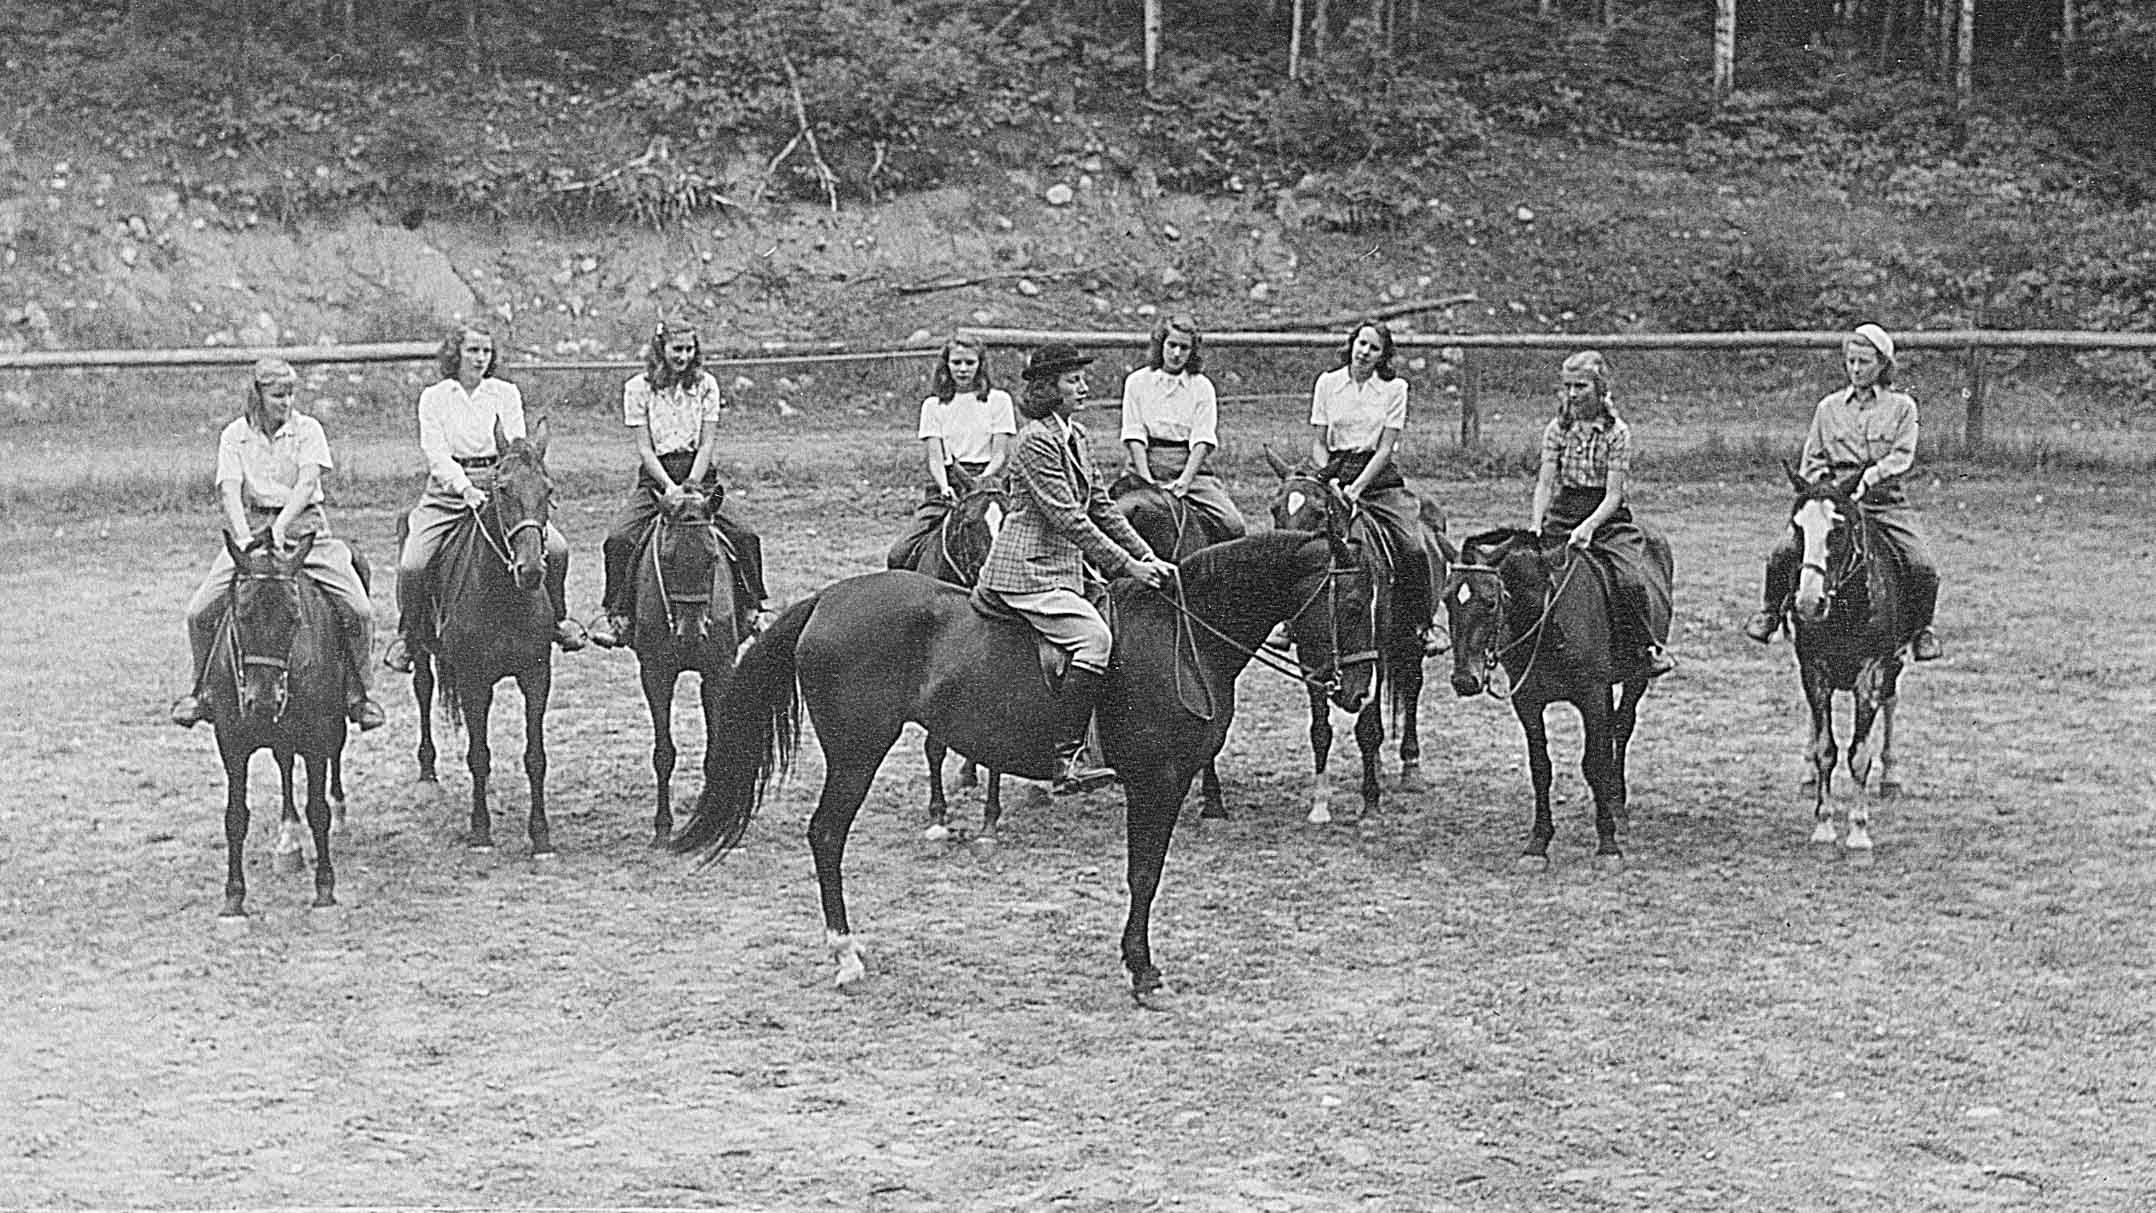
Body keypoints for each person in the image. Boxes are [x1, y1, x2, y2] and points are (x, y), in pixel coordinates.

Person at [976, 344, 1177, 790]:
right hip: (1027, 569)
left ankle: (1108, 740)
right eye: (1073, 381)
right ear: (1049, 389)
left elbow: (1103, 508)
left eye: (1082, 379)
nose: (1084, 387)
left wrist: (1148, 557)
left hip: (1065, 568)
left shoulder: (1076, 434)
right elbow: (1068, 517)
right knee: (1094, 639)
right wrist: (1128, 567)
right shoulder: (1034, 442)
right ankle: (1064, 758)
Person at [171, 358, 384, 730]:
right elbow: (230, 490)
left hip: (304, 528)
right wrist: (242, 538)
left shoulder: (308, 430)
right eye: (277, 395)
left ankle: (360, 693)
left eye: (290, 395)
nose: (285, 403)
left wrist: (283, 526)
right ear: (258, 395)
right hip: (253, 530)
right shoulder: (234, 435)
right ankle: (201, 690)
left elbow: (306, 484)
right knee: (199, 610)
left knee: (358, 609)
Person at [382, 324, 584, 673]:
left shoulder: (504, 393)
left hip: (502, 486)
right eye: (473, 350)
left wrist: (512, 480)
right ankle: (409, 637)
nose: (480, 358)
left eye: (486, 351)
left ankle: (557, 621)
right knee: (413, 562)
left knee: (559, 548)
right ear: (456, 353)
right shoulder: (435, 397)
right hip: (448, 491)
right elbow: (436, 454)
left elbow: (518, 445)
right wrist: (465, 488)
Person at [1743, 323, 1942, 660]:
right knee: (1782, 552)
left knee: (1922, 564)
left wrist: (1867, 480)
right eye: (1850, 361)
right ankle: (1770, 614)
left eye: (1864, 362)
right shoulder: (1829, 408)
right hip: (1833, 503)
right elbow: (1814, 458)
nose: (1856, 369)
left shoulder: (1902, 408)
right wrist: (1824, 490)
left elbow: (1902, 456)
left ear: (1882, 365)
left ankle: (1921, 631)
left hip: (1883, 502)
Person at [586, 317, 772, 648]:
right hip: (657, 479)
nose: (683, 356)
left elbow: (706, 443)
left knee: (745, 535)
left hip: (699, 476)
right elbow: (644, 447)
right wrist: (670, 489)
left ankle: (752, 609)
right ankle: (618, 616)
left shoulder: (706, 386)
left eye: (689, 349)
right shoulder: (638, 388)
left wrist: (691, 486)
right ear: (661, 349)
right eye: (676, 349)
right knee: (619, 538)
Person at [1307, 319, 1449, 656]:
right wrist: (1334, 480)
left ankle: (1422, 625)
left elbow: (1385, 449)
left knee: (1413, 545)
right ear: (1351, 344)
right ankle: (1289, 622)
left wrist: (1357, 488)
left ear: (1383, 355)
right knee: (1297, 527)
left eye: (1373, 348)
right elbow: (1317, 443)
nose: (1364, 352)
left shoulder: (1394, 389)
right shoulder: (1328, 383)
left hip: (1377, 477)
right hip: (1334, 472)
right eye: (1361, 343)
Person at [1530, 351, 1675, 677]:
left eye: (1580, 386)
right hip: (1563, 511)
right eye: (1567, 386)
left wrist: (1589, 527)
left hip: (1606, 518)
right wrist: (1536, 524)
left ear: (1599, 389)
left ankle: (1644, 648)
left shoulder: (1616, 432)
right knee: (1529, 573)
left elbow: (1614, 494)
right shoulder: (1557, 429)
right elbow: (1545, 482)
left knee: (1629, 579)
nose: (1572, 394)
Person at [885, 333, 1016, 571]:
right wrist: (944, 486)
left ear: (981, 365)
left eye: (970, 363)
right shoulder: (934, 406)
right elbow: (935, 456)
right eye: (956, 363)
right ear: (947, 365)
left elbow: (1000, 454)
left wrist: (981, 482)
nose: (963, 369)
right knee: (900, 552)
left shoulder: (999, 401)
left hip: (988, 486)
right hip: (949, 484)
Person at [1118, 313, 1247, 540]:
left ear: (1192, 351)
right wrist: (1147, 480)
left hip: (1189, 469)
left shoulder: (1202, 387)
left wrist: (1184, 482)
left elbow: (1202, 440)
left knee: (1233, 524)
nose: (1177, 353)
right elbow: (1134, 435)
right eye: (1172, 345)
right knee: (1113, 519)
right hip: (1144, 466)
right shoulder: (1137, 382)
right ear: (1161, 345)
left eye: (1184, 348)